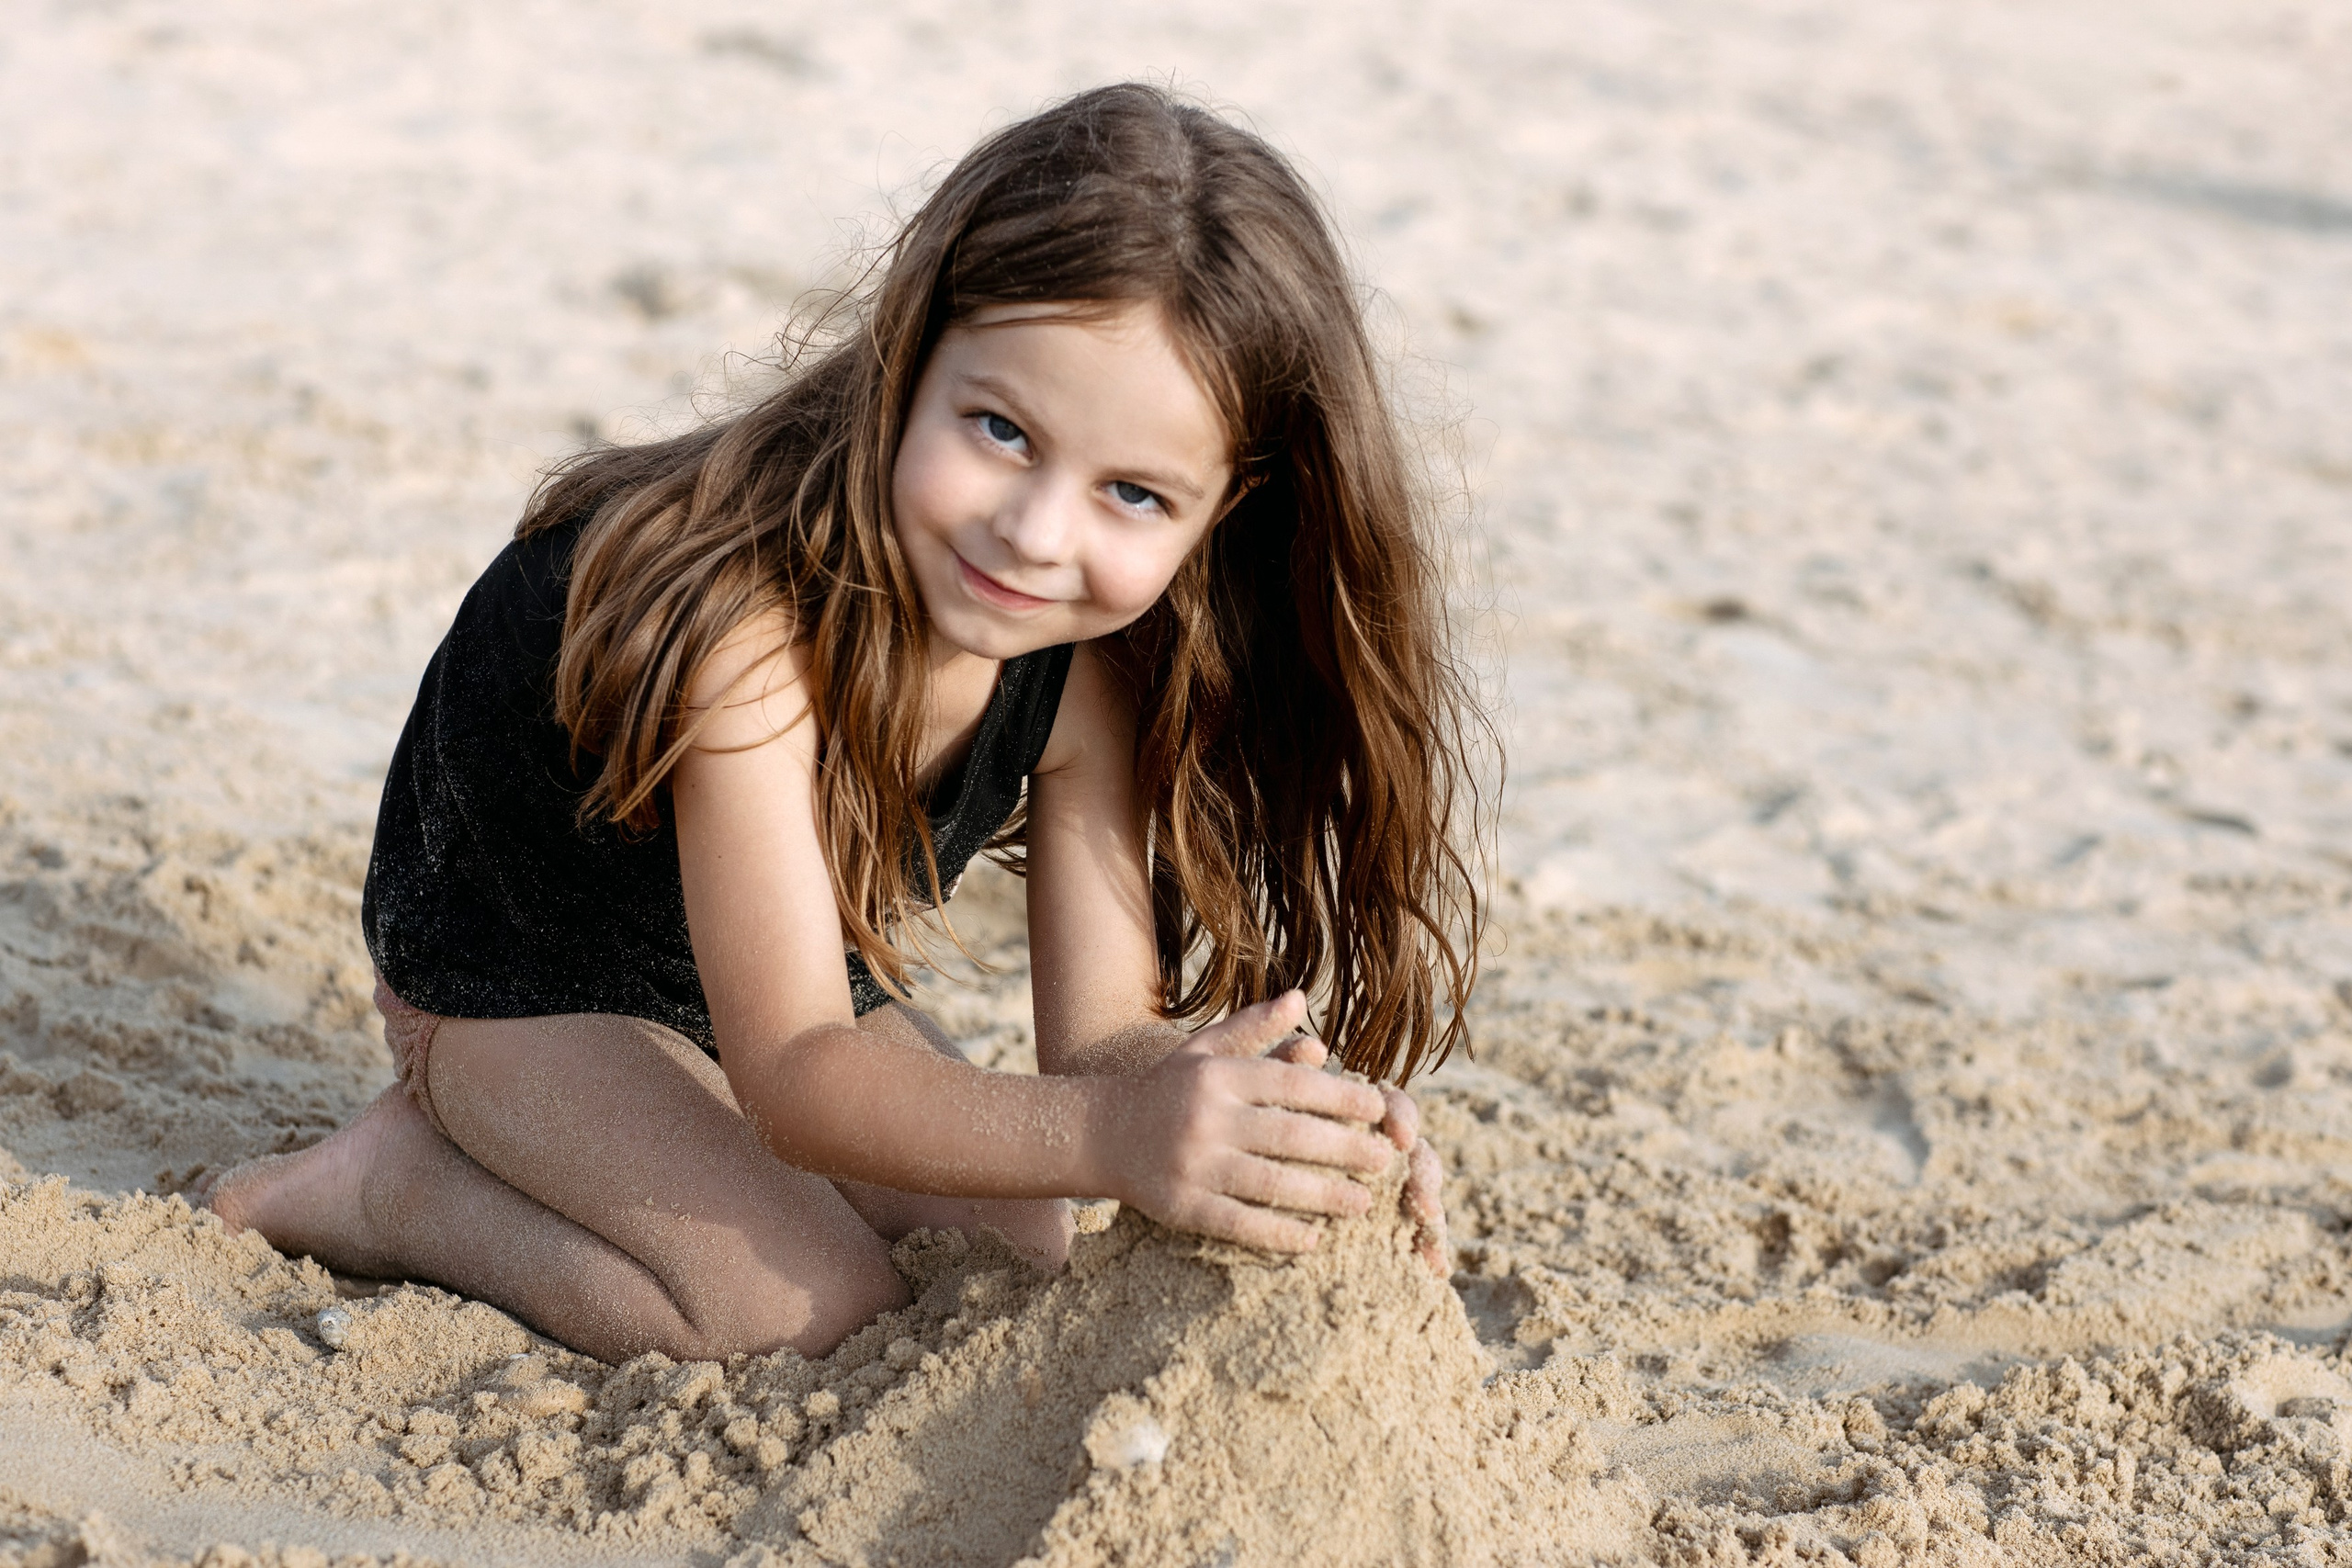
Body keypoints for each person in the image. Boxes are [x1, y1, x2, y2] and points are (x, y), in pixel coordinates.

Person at [205, 84, 1488, 1364]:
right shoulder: (748, 630)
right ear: (912, 351)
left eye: (1135, 494)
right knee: (805, 1313)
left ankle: (578, 1158)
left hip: (759, 981)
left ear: (1227, 504)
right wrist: (1117, 1137)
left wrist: (1267, 1112)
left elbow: (1098, 1042)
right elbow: (803, 1075)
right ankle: (396, 1187)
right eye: (1000, 429)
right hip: (519, 985)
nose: (1038, 535)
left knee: (1016, 1248)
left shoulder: (1086, 668)